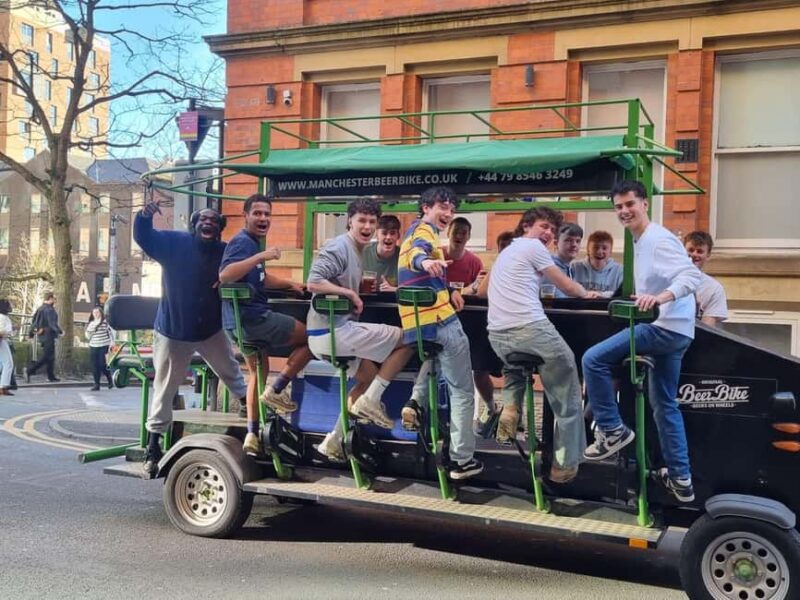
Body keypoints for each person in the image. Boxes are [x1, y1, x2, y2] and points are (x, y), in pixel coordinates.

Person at [582, 180, 701, 503]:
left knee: (593, 359)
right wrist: (645, 299)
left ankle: (612, 429)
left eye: (630, 204)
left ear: (644, 204)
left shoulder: (658, 239)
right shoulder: (641, 241)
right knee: (664, 405)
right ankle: (681, 478)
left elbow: (692, 277)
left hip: (663, 327)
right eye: (618, 206)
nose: (624, 211)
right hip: (678, 331)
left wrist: (659, 298)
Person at [134, 200, 249, 478]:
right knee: (164, 389)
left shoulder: (225, 253)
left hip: (210, 329)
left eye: (213, 221)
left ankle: (252, 412)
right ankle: (153, 447)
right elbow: (144, 236)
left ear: (220, 229)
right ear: (194, 225)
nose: (207, 223)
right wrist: (143, 216)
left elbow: (241, 272)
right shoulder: (174, 243)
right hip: (174, 331)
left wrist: (229, 280)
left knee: (232, 373)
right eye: (203, 220)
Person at [487, 207, 598, 483]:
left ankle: (510, 408)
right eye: (544, 227)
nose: (548, 234)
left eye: (552, 230)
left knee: (515, 365)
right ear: (525, 226)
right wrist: (588, 293)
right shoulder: (534, 248)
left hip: (498, 335)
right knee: (567, 387)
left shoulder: (507, 251)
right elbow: (567, 286)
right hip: (531, 328)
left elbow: (480, 290)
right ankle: (565, 463)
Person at [306, 198, 416, 461]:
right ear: (350, 222)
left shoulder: (356, 249)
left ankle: (333, 439)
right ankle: (372, 401)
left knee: (367, 376)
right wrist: (349, 294)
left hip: (327, 334)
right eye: (362, 221)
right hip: (333, 332)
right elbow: (313, 281)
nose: (367, 226)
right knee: (411, 338)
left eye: (371, 221)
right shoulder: (340, 247)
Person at [397, 186, 483, 480]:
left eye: (450, 208)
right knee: (462, 391)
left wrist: (447, 289)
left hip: (419, 325)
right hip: (441, 320)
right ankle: (461, 459)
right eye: (442, 207)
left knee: (435, 360)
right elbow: (416, 257)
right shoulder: (424, 233)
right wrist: (428, 262)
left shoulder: (414, 231)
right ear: (425, 208)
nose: (447, 213)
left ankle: (415, 401)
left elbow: (417, 265)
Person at [219, 193, 314, 455]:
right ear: (245, 215)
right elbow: (225, 275)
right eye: (258, 213)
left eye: (267, 214)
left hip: (237, 324)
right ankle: (278, 388)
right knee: (313, 338)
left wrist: (290, 284)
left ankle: (252, 434)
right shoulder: (243, 242)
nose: (263, 218)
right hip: (254, 320)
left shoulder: (250, 244)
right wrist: (261, 255)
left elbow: (260, 278)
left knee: (255, 376)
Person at [441, 216, 497, 433]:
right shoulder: (438, 256)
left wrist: (470, 289)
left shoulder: (474, 262)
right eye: (456, 231)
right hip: (440, 320)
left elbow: (477, 291)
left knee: (478, 370)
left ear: (469, 236)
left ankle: (491, 409)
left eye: (464, 232)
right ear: (448, 233)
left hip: (469, 321)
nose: (459, 236)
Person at [684, 231, 728, 327]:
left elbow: (707, 329)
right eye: (690, 250)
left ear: (708, 255)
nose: (694, 254)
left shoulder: (714, 289)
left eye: (700, 251)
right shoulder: (666, 279)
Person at [572, 230, 623, 297]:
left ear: (610, 251)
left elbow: (622, 295)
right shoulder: (574, 268)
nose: (599, 251)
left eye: (604, 248)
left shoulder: (620, 271)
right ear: (588, 250)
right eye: (595, 247)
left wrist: (601, 295)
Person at [25, 292, 62, 382]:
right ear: (50, 298)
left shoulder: (40, 308)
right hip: (48, 334)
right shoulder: (49, 310)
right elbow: (52, 323)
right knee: (47, 356)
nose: (55, 301)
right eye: (54, 299)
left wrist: (31, 333)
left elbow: (34, 321)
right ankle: (29, 371)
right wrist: (59, 331)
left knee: (50, 356)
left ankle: (50, 376)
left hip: (42, 335)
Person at [541, 223, 583, 299]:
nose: (574, 245)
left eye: (578, 241)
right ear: (556, 243)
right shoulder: (550, 267)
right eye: (568, 240)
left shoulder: (570, 268)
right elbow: (559, 299)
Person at [361, 214, 401, 292]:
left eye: (392, 233)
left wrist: (395, 290)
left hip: (394, 302)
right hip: (366, 301)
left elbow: (411, 287)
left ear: (398, 236)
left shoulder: (404, 256)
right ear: (376, 235)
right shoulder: (363, 253)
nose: (388, 237)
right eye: (384, 233)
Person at [474, 231, 514, 299]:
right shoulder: (498, 268)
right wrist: (478, 283)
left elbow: (481, 293)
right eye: (503, 246)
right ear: (498, 249)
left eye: (509, 246)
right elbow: (480, 293)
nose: (506, 249)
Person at [85, 306, 114, 391]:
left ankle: (109, 378)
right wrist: (90, 333)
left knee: (102, 364)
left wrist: (112, 342)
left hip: (104, 344)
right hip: (93, 345)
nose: (96, 314)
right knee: (94, 366)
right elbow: (87, 335)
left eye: (97, 312)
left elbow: (110, 332)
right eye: (94, 313)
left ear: (101, 313)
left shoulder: (105, 322)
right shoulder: (91, 324)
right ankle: (96, 384)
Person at [0, 299, 14, 396]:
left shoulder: (4, 317)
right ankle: (3, 386)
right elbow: (2, 330)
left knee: (3, 364)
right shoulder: (3, 317)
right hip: (1, 341)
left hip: (3, 340)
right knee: (8, 363)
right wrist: (11, 330)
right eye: (10, 305)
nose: (11, 306)